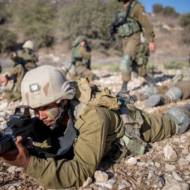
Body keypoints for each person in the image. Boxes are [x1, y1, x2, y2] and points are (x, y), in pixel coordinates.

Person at [1, 65, 190, 189]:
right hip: (111, 121)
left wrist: (28, 163)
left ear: (62, 101)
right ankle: (169, 94)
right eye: (35, 109)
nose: (40, 115)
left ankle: (177, 92)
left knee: (178, 118)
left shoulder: (92, 117)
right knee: (166, 98)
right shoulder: (57, 113)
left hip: (139, 126)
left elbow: (79, 172)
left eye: (45, 108)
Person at [109, 0, 156, 94]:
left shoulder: (136, 7)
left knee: (126, 61)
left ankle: (124, 88)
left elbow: (146, 24)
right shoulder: (121, 8)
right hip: (124, 40)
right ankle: (150, 80)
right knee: (135, 65)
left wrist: (151, 40)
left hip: (134, 37)